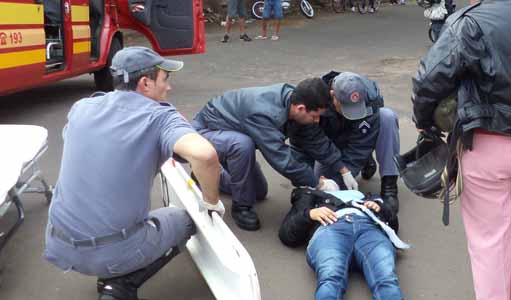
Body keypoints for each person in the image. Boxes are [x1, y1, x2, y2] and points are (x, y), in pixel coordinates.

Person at [412, 0, 511, 299]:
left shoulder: (469, 20)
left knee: (489, 240)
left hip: (486, 142)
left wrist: (425, 122)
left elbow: (430, 78)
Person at [43, 46, 224, 300]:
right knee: (184, 219)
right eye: (165, 79)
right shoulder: (159, 117)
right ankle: (121, 285)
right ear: (146, 83)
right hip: (110, 253)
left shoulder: (82, 107)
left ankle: (114, 267)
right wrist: (212, 202)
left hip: (57, 242)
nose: (169, 87)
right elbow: (205, 155)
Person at [191, 78, 341, 231]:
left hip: (229, 135)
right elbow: (280, 157)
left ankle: (206, 174)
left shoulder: (296, 100)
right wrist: (317, 183)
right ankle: (241, 207)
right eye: (315, 116)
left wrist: (342, 168)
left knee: (258, 192)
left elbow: (314, 138)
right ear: (300, 108)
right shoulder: (264, 113)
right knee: (243, 145)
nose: (317, 121)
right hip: (204, 135)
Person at [278, 188, 408, 300]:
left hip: (369, 228)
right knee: (331, 277)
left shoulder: (366, 196)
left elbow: (393, 225)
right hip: (331, 229)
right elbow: (287, 234)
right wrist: (309, 214)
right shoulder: (309, 194)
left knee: (385, 278)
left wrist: (381, 209)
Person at [319, 71, 402, 229]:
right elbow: (311, 141)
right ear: (332, 95)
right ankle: (365, 160)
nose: (349, 112)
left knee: (387, 117)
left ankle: (390, 184)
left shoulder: (372, 98)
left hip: (361, 135)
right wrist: (311, 181)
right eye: (345, 107)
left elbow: (363, 140)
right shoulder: (317, 96)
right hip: (331, 143)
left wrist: (349, 169)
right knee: (326, 190)